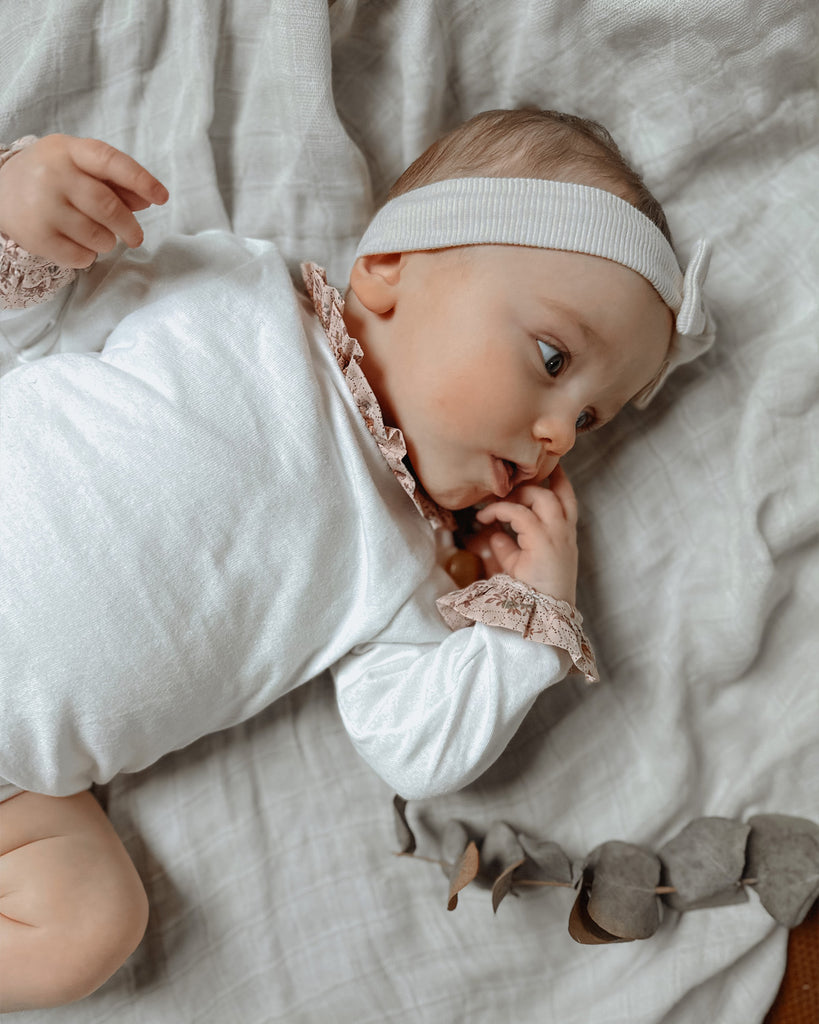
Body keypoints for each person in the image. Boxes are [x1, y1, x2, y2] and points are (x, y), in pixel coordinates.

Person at [0, 109, 713, 1010]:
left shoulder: (410, 564)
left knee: (90, 923)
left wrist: (520, 632)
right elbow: (33, 318)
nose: (552, 439)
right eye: (550, 357)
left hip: (16, 783)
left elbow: (413, 751)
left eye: (587, 422)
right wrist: (28, 214)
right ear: (386, 272)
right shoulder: (232, 292)